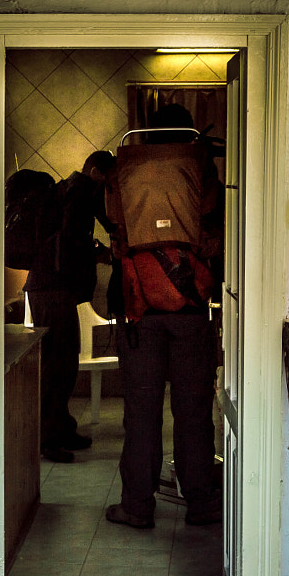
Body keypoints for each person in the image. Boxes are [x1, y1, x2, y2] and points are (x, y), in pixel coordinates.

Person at [105, 103, 224, 528]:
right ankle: (201, 503)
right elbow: (216, 222)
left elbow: (113, 223)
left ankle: (137, 507)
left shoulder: (126, 166)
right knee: (192, 412)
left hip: (140, 310)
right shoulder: (198, 165)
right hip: (191, 310)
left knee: (141, 413)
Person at [4, 165, 100, 463]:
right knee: (56, 365)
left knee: (64, 363)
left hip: (52, 287)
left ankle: (62, 429)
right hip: (52, 288)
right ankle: (48, 439)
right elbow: (72, 241)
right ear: (96, 171)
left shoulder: (62, 197)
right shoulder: (75, 194)